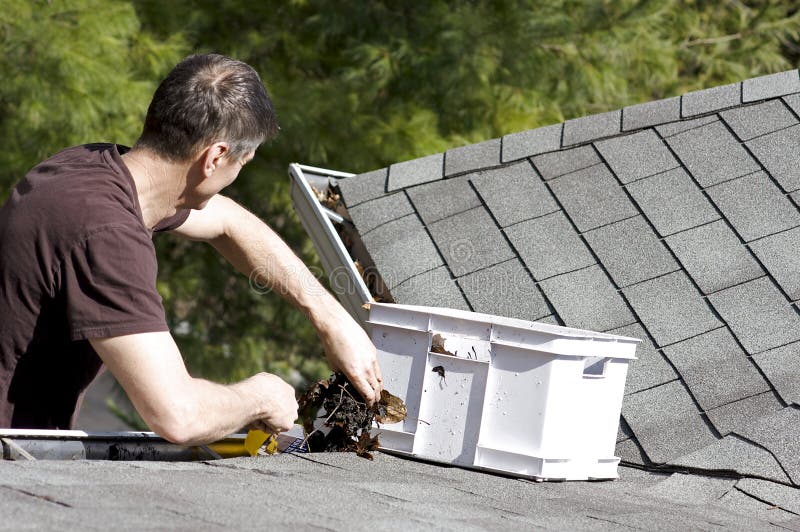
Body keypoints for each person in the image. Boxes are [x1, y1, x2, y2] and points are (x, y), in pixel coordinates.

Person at [0, 53, 382, 444]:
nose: (237, 174)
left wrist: (330, 318)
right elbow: (176, 414)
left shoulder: (89, 166)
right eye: (242, 162)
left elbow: (229, 222)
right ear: (215, 157)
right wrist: (260, 396)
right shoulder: (105, 232)